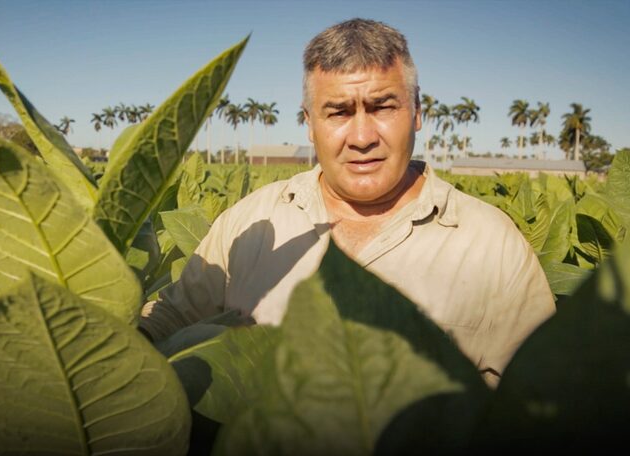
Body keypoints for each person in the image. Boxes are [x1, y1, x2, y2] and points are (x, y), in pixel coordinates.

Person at [140, 18, 555, 386]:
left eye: (382, 107)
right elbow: (171, 321)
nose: (361, 137)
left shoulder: (491, 242)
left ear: (417, 113)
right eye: (338, 112)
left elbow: (537, 395)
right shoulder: (249, 221)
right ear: (309, 124)